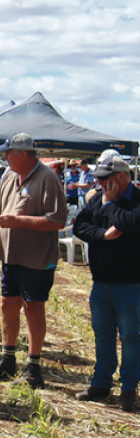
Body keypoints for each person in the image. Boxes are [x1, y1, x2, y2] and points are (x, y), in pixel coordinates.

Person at [0, 133, 68, 388]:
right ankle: (7, 360)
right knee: (7, 304)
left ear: (23, 154)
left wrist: (19, 221)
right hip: (10, 257)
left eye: (9, 152)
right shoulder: (9, 177)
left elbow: (57, 220)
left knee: (33, 309)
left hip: (37, 259)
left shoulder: (48, 178)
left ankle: (34, 367)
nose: (5, 157)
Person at [72, 157, 140, 413]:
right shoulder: (97, 200)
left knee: (132, 338)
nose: (99, 183)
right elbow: (80, 227)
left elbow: (128, 223)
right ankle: (100, 385)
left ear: (122, 177)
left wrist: (110, 205)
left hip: (132, 284)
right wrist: (102, 235)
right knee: (103, 337)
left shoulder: (135, 201)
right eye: (99, 179)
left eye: (104, 179)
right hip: (101, 283)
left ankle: (128, 389)